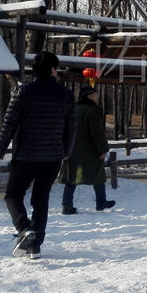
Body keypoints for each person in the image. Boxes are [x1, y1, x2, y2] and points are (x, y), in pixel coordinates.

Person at [0, 51, 75, 260]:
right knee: (41, 199)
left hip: (26, 156)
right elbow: (71, 127)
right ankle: (35, 246)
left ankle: (24, 229)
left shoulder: (24, 92)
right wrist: (66, 151)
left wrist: (0, 149)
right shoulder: (65, 95)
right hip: (53, 156)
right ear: (53, 69)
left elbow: (9, 122)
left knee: (13, 194)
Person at [59, 86, 115, 214]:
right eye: (95, 94)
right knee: (98, 175)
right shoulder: (93, 111)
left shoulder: (72, 109)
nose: (97, 96)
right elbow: (98, 133)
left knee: (72, 177)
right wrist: (103, 149)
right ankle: (101, 203)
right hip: (90, 150)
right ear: (88, 95)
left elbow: (64, 130)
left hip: (72, 149)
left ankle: (67, 205)